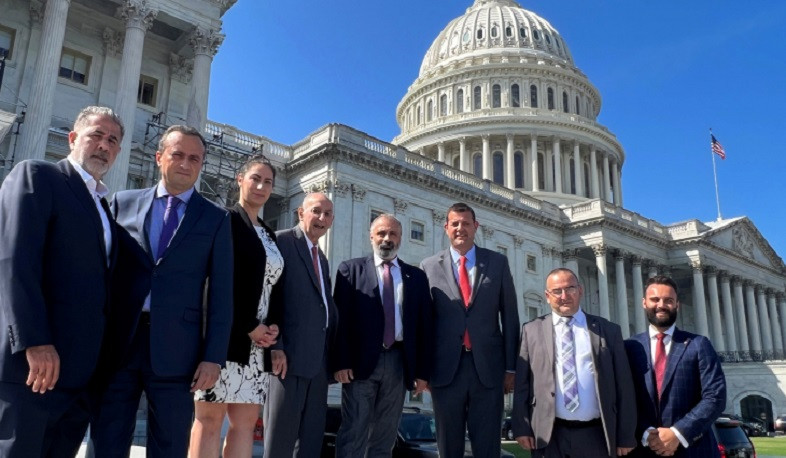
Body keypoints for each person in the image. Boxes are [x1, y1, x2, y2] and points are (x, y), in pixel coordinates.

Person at [90, 125, 234, 457]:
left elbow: (222, 294)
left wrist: (213, 357)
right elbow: (102, 274)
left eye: (194, 158)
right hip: (119, 343)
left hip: (179, 351)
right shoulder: (121, 203)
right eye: (177, 154)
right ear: (159, 157)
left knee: (169, 446)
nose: (185, 164)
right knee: (106, 440)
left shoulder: (216, 219)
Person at [0, 106, 132, 457]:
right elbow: (15, 260)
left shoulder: (103, 208)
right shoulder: (38, 175)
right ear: (73, 138)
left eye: (112, 141)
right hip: (33, 367)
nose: (104, 145)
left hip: (80, 375)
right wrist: (34, 341)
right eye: (96, 135)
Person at [189, 154, 282, 457]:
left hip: (258, 346)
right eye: (255, 178)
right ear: (240, 179)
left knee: (245, 424)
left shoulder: (269, 234)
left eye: (268, 182)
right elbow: (218, 281)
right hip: (225, 338)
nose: (261, 186)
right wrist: (249, 326)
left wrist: (272, 327)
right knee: (209, 420)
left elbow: (273, 286)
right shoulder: (224, 220)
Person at [419, 202, 519, 458]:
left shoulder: (497, 263)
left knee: (487, 448)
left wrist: (511, 368)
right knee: (448, 447)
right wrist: (422, 370)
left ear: (476, 226)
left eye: (465, 223)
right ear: (446, 228)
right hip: (445, 370)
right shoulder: (429, 266)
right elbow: (424, 323)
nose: (460, 228)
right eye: (455, 224)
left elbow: (510, 317)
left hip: (488, 369)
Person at [331, 214, 433, 457]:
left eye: (393, 234)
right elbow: (340, 321)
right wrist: (341, 362)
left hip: (399, 363)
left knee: (385, 437)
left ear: (400, 238)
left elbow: (424, 327)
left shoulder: (416, 277)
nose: (387, 238)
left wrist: (422, 372)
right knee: (354, 432)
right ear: (371, 237)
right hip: (359, 364)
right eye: (381, 233)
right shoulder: (350, 270)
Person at [511, 267, 636, 458]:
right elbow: (522, 384)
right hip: (549, 436)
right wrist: (522, 427)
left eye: (570, 288)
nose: (564, 296)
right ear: (547, 296)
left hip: (595, 434)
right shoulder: (531, 330)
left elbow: (624, 386)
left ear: (580, 290)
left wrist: (625, 435)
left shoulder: (608, 330)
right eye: (557, 291)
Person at [262, 192, 339, 458]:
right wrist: (276, 346)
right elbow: (268, 296)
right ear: (300, 213)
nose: (321, 218)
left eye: (327, 214)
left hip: (318, 365)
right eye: (316, 211)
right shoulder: (281, 241)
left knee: (310, 443)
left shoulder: (322, 258)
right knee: (280, 442)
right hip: (287, 360)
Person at [625, 275, 726, 457]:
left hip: (694, 450)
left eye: (668, 300)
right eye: (655, 299)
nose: (661, 305)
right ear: (644, 303)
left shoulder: (699, 344)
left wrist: (678, 433)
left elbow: (715, 397)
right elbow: (624, 399)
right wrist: (646, 432)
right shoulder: (629, 348)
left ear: (677, 305)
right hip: (643, 449)